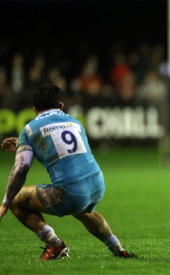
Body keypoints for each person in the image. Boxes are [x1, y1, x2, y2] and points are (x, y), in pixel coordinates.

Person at [0, 84, 133, 260]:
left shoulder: (30, 129)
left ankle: (55, 245)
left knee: (18, 201)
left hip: (70, 191)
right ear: (61, 106)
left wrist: (5, 203)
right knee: (83, 210)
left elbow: (21, 168)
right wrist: (22, 144)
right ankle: (118, 248)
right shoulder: (75, 122)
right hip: (97, 184)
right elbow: (66, 152)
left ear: (34, 110)